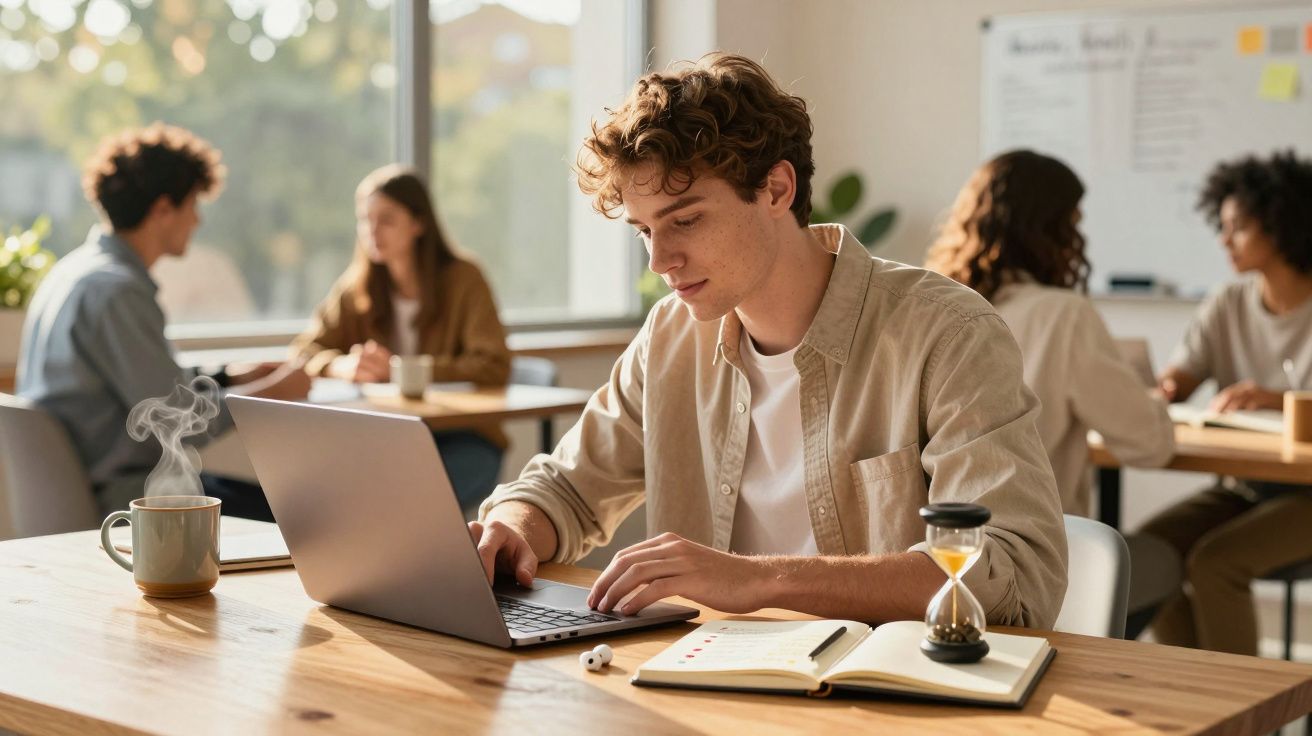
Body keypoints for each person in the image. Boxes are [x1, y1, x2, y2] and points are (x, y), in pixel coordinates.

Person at [469, 53, 1067, 627]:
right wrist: (515, 525)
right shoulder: (672, 336)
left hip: (887, 696)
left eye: (685, 219)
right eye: (644, 231)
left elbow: (1011, 574)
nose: (661, 260)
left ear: (777, 190)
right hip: (709, 685)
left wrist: (758, 581)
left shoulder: (946, 333)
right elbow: (568, 490)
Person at [18, 123, 310, 519]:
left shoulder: (72, 274)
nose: (198, 221)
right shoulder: (117, 292)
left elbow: (144, 383)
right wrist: (271, 393)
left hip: (93, 485)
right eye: (193, 205)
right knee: (304, 512)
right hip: (132, 498)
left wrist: (229, 376)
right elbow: (176, 421)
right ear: (162, 210)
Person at [925, 150, 1175, 517]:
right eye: (1073, 224)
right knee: (1157, 556)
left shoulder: (933, 305)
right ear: (1052, 232)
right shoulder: (1064, 316)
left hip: (942, 549)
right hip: (1039, 552)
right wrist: (1153, 400)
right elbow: (1149, 445)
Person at [1140, 150, 1312, 655]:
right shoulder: (1228, 303)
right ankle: (1199, 697)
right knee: (1148, 555)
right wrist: (1162, 388)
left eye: (1238, 227)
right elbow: (1180, 379)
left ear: (1281, 225)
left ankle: (1243, 721)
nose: (1224, 240)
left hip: (1308, 494)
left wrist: (1275, 401)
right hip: (1246, 487)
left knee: (1215, 563)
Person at [291, 164, 511, 510]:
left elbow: (493, 365)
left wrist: (400, 371)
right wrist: (343, 367)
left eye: (387, 220)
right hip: (390, 438)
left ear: (419, 224)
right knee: (330, 494)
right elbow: (302, 353)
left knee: (397, 505)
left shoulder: (464, 278)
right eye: (365, 219)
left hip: (464, 437)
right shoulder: (357, 286)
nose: (372, 231)